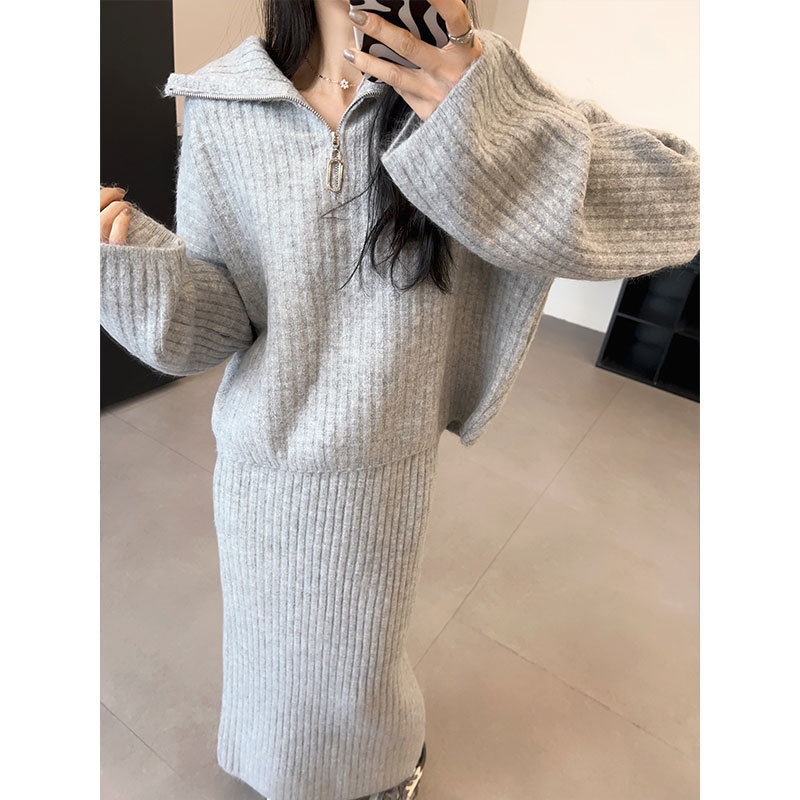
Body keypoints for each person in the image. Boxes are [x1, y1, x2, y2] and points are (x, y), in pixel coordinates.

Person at [99, 1, 700, 798]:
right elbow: (225, 319)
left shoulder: (468, 82)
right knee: (265, 654)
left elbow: (681, 201)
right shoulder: (222, 101)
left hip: (384, 469)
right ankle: (275, 766)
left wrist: (487, 116)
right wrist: (132, 266)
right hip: (257, 464)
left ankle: (373, 771)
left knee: (359, 663)